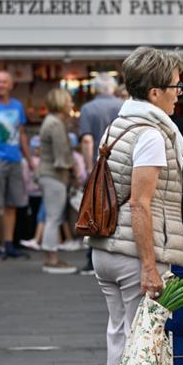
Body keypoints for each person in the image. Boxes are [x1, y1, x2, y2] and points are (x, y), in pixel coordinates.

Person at [89, 46, 183, 365]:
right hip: (136, 253)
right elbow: (141, 205)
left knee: (121, 341)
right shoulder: (151, 134)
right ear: (153, 92)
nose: (178, 93)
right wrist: (151, 265)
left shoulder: (116, 128)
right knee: (144, 342)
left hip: (106, 248)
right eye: (174, 86)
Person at [0, 70, 32, 260]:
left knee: (12, 204)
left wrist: (29, 158)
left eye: (4, 82)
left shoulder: (17, 106)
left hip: (15, 159)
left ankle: (8, 243)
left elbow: (22, 134)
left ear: (11, 85)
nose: (1, 85)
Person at [78, 72, 123, 274]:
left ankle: (92, 257)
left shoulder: (87, 109)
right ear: (112, 87)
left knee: (95, 209)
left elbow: (87, 140)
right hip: (121, 164)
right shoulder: (122, 106)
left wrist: (89, 167)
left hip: (99, 165)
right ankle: (118, 253)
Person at [38, 88, 78, 274]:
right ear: (61, 103)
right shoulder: (55, 124)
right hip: (54, 175)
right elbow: (62, 155)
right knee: (54, 217)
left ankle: (51, 257)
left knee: (51, 217)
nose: (71, 105)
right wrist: (75, 170)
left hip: (48, 174)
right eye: (69, 101)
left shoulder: (52, 122)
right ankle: (52, 260)